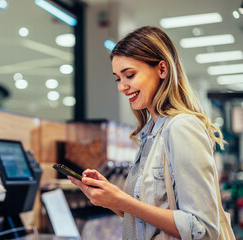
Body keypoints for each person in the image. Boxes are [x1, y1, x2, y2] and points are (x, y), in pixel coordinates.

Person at [68, 26, 226, 240]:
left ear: (162, 69)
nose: (122, 87)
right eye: (118, 78)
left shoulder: (181, 127)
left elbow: (202, 228)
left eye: (129, 75)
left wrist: (123, 200)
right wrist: (111, 199)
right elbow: (148, 222)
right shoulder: (150, 134)